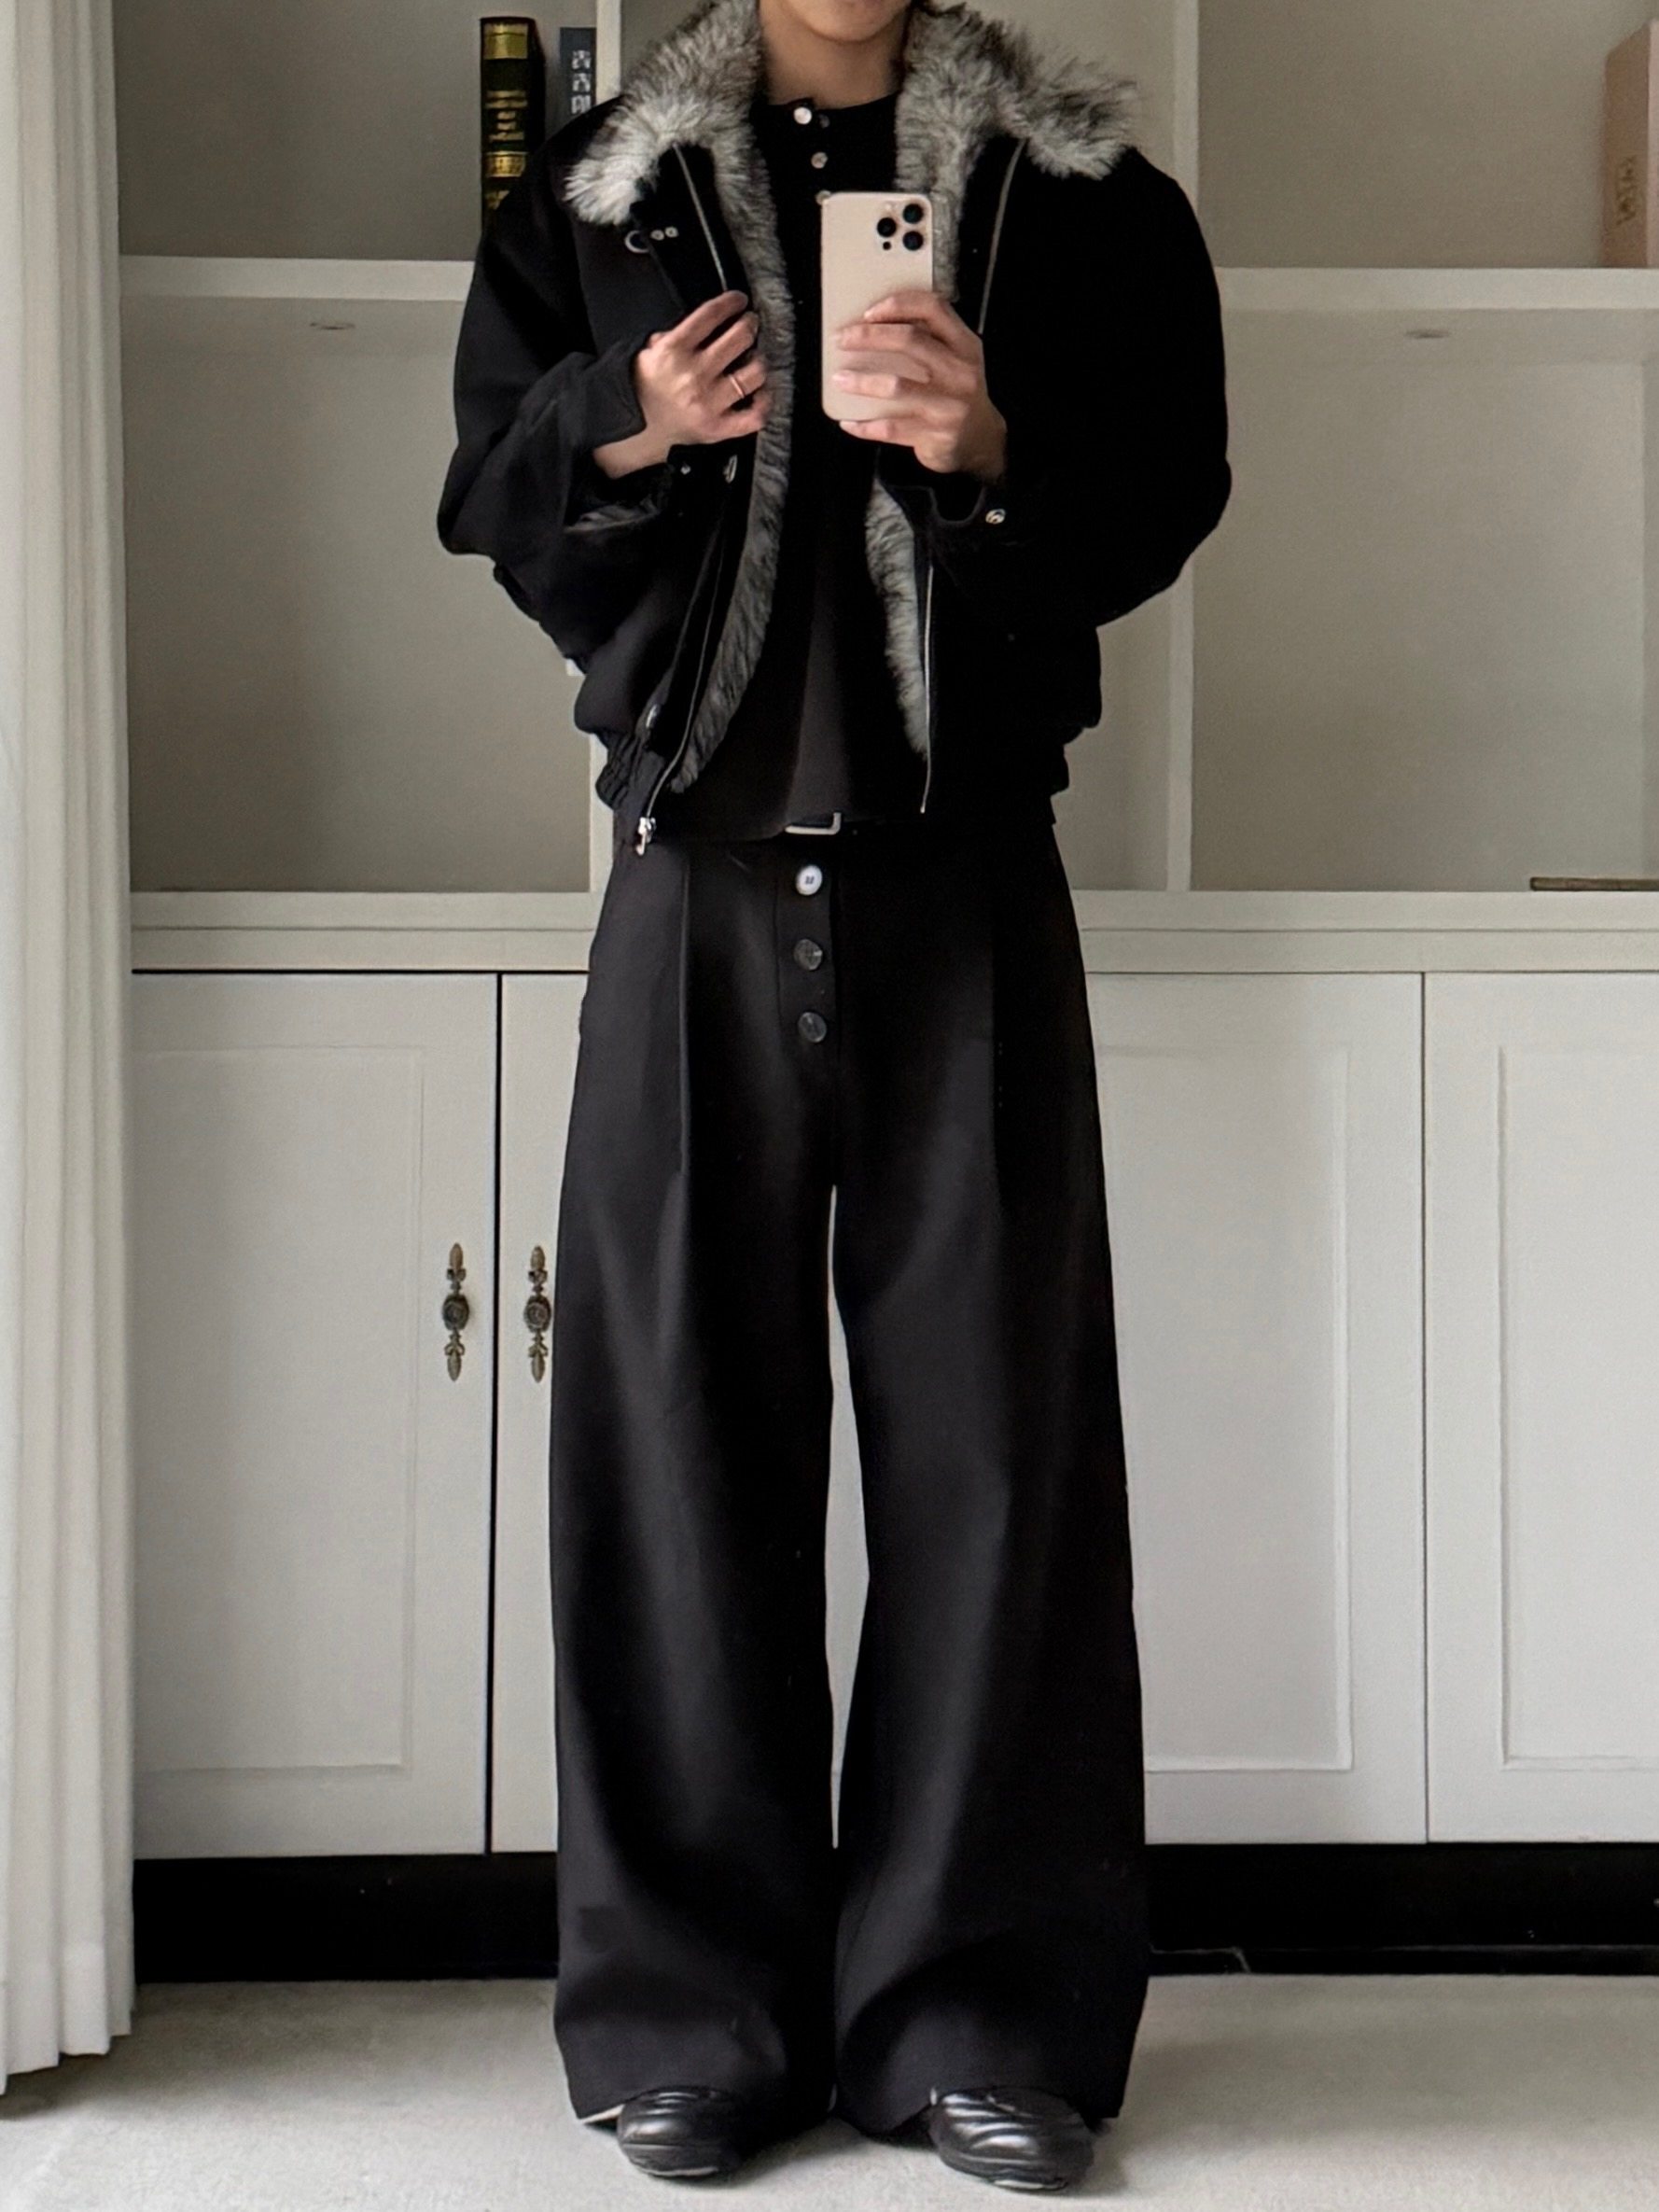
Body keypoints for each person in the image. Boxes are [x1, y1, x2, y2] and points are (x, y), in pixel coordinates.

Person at [436, 0, 1230, 2188]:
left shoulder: (1082, 199)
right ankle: (692, 2023)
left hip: (963, 883)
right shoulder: (602, 190)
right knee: (671, 1452)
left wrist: (990, 452)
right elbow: (486, 495)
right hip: (691, 885)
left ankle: (982, 2018)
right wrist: (629, 421)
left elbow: (1165, 496)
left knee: (998, 1459)